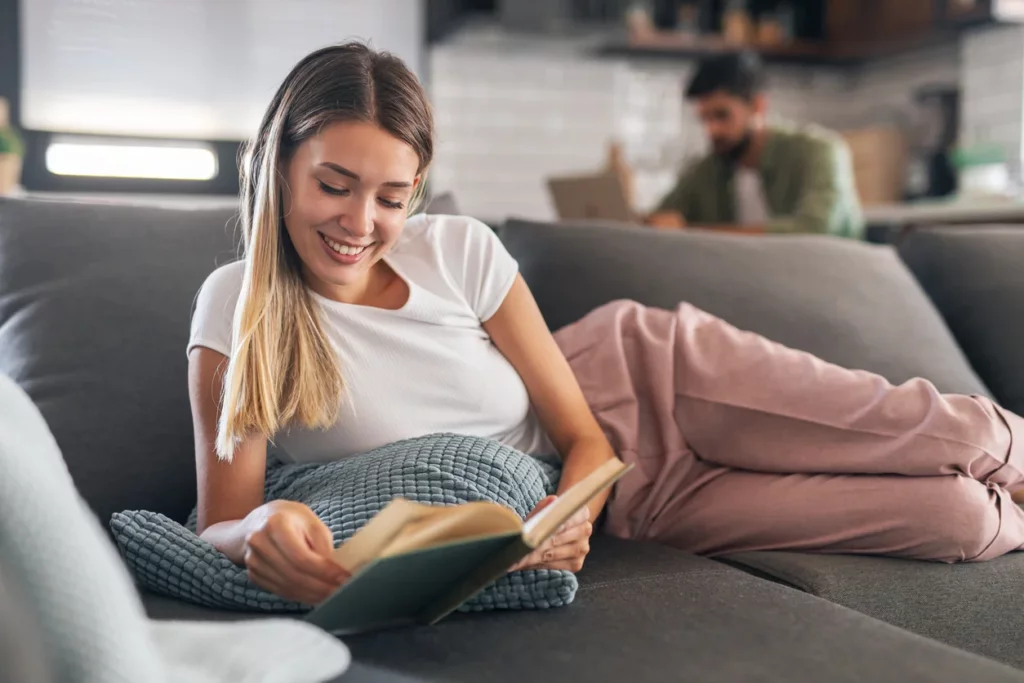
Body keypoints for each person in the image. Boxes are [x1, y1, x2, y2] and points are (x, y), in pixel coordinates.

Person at [188, 42, 1024, 606]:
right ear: (277, 165)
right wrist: (259, 529)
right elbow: (219, 518)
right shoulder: (237, 308)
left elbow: (582, 431)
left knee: (955, 434)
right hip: (634, 502)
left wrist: (558, 517)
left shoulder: (457, 251)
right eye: (333, 184)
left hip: (647, 381)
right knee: (960, 523)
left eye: (391, 197)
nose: (359, 222)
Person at [645, 51, 864, 238]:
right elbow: (659, 220)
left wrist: (692, 231)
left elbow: (815, 230)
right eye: (705, 119)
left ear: (758, 106)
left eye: (722, 115)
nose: (711, 130)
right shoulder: (708, 169)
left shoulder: (819, 151)